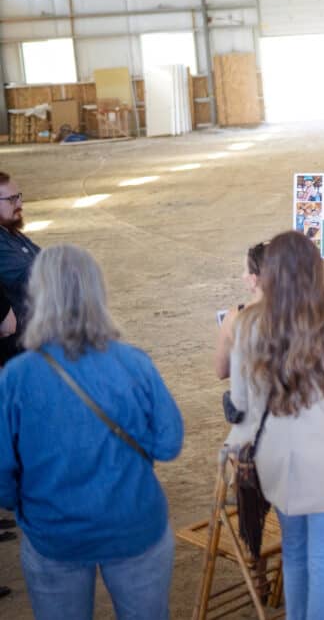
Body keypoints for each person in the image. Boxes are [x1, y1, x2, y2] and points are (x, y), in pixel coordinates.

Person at [0, 244, 184, 619]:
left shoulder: (15, 378)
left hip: (54, 533)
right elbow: (169, 443)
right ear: (98, 292)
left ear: (36, 295)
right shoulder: (134, 363)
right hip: (134, 524)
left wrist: (28, 505)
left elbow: (3, 472)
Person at [229, 231, 324, 619]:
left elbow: (240, 402)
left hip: (276, 460)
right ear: (315, 272)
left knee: (294, 551)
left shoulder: (247, 325)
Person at [0, 172, 41, 365]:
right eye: (11, 199)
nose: (19, 204)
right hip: (21, 345)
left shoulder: (12, 233)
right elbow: (31, 277)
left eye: (19, 197)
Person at [214, 241, 267, 380]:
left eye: (245, 271)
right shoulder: (303, 313)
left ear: (254, 279)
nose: (243, 276)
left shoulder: (234, 317)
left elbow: (222, 371)